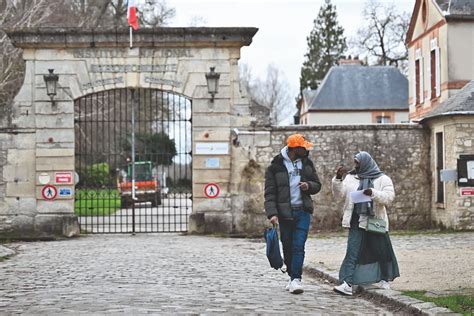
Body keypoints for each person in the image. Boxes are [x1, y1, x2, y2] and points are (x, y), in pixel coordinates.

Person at [331, 151, 400, 296]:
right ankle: (347, 283)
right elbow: (339, 196)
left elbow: (389, 198)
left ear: (366, 163)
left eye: (358, 163)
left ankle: (385, 278)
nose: (355, 166)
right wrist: (338, 179)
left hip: (375, 220)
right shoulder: (350, 178)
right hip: (356, 220)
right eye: (355, 162)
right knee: (352, 251)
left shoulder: (382, 179)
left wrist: (372, 193)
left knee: (381, 250)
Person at [264, 133, 322, 294]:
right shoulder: (275, 166)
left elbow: (317, 185)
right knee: (288, 246)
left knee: (299, 246)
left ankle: (296, 279)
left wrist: (308, 186)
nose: (307, 150)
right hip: (284, 214)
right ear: (295, 149)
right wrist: (272, 214)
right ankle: (291, 276)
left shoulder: (307, 163)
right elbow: (269, 193)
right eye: (304, 148)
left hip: (303, 211)